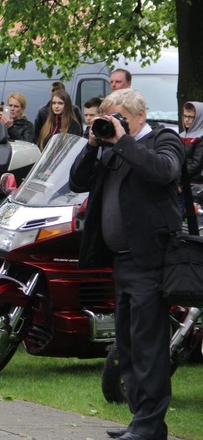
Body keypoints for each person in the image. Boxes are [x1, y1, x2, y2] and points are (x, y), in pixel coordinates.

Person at [69, 89, 181, 440]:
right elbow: (77, 181)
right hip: (121, 262)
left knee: (148, 347)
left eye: (120, 119)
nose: (113, 126)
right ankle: (143, 423)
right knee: (128, 346)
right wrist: (92, 144)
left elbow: (163, 172)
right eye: (109, 119)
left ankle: (148, 427)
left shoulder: (163, 139)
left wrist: (122, 141)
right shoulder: (109, 148)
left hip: (151, 259)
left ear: (140, 116)